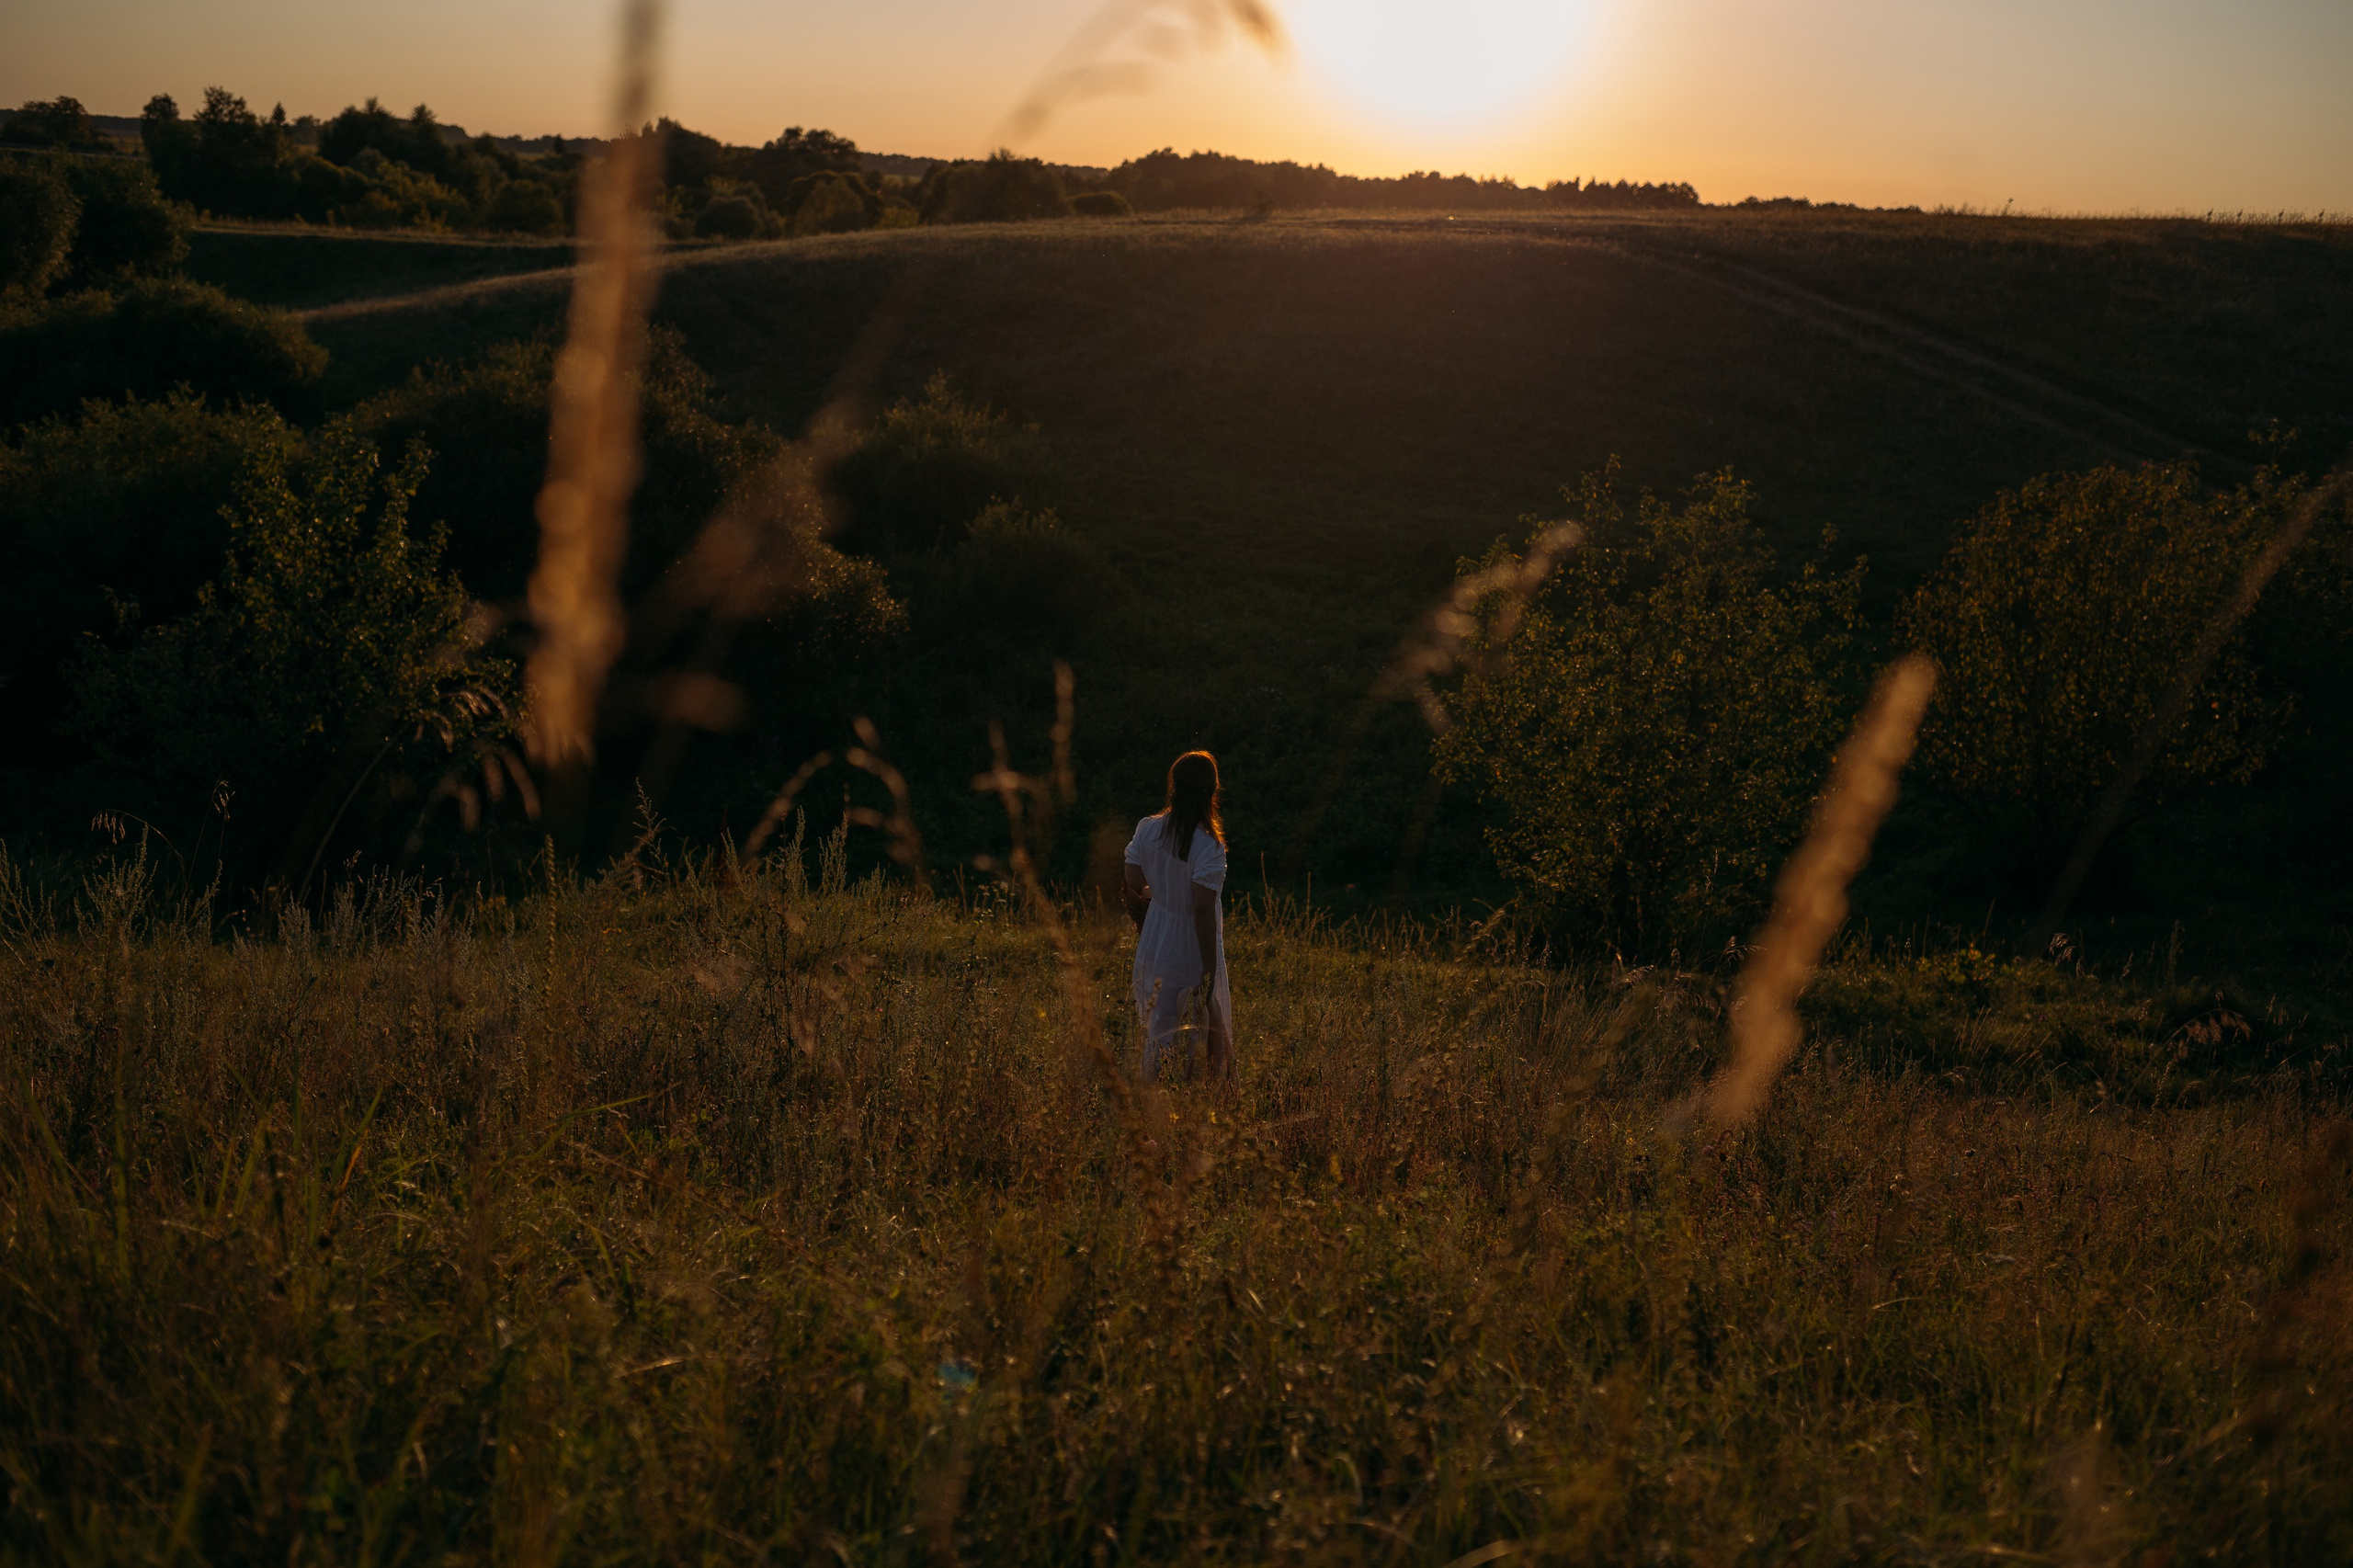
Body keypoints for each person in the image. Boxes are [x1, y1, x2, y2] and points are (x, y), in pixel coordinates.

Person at [1121, 750, 1233, 1083]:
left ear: (1174, 787)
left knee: (1162, 1021)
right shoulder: (1207, 845)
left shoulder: (1148, 829)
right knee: (1198, 1017)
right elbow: (1201, 909)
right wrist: (1210, 966)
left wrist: (1158, 902)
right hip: (1191, 944)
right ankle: (1200, 1094)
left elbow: (1131, 879)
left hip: (1157, 935)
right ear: (1211, 791)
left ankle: (1155, 1092)